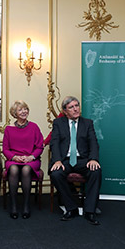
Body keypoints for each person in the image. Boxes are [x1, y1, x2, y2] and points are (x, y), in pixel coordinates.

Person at [49, 96, 102, 225]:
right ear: (65, 111)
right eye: (71, 107)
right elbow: (54, 143)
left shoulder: (87, 123)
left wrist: (93, 159)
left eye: (77, 105)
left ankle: (89, 211)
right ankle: (71, 208)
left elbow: (93, 143)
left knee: (96, 171)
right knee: (56, 174)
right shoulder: (58, 123)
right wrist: (57, 160)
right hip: (64, 160)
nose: (75, 109)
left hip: (82, 160)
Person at [2, 100, 44, 219]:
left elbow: (40, 146)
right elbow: (5, 149)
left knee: (26, 170)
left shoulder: (34, 127)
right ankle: (14, 206)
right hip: (13, 159)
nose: (24, 111)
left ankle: (26, 205)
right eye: (20, 110)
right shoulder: (8, 129)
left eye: (25, 109)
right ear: (15, 113)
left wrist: (31, 157)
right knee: (14, 169)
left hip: (31, 160)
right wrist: (14, 157)